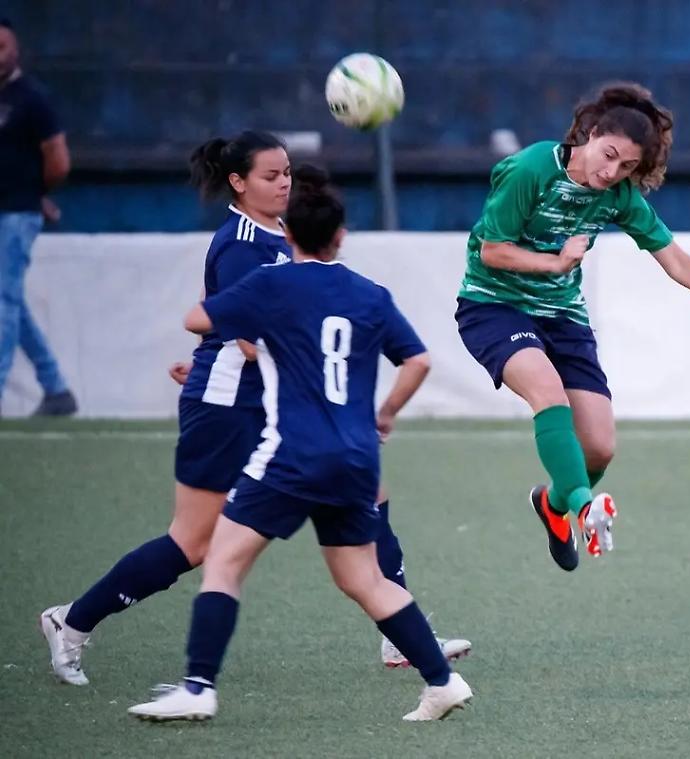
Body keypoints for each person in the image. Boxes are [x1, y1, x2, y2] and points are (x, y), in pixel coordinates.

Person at [39, 132, 468, 685]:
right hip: (229, 405)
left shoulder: (277, 237)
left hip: (274, 398)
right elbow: (247, 337)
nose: (284, 182)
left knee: (370, 492)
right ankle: (71, 622)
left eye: (287, 172)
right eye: (271, 175)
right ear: (238, 183)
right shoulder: (242, 243)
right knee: (192, 543)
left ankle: (397, 635)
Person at [456, 82, 690, 571]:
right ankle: (585, 507)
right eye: (608, 156)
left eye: (627, 166)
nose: (612, 173)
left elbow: (673, 258)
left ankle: (554, 504)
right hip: (494, 305)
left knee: (600, 448)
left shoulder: (620, 196)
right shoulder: (532, 169)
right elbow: (492, 250)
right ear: (588, 133)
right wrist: (554, 264)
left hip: (562, 316)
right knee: (548, 393)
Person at [0, 17, 77, 417]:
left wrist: (37, 194)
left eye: (2, 47)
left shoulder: (32, 98)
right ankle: (56, 389)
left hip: (17, 214)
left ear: (16, 50)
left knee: (3, 299)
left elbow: (58, 160)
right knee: (9, 301)